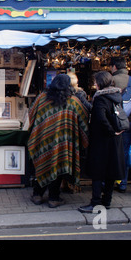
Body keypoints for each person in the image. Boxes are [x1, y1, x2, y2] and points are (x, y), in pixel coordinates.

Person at [27, 74, 89, 208]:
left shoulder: (42, 98)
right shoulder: (73, 101)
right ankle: (53, 198)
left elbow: (31, 113)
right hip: (63, 142)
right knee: (58, 166)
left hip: (43, 139)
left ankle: (37, 195)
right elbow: (84, 118)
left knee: (42, 164)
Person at [78, 71, 126, 213]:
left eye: (95, 82)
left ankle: (95, 203)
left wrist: (110, 131)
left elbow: (100, 119)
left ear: (100, 83)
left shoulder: (100, 98)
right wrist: (115, 132)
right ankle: (107, 201)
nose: (94, 84)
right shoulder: (117, 95)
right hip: (115, 140)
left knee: (98, 173)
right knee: (111, 171)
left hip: (102, 141)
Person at [110, 57, 131, 193]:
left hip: (113, 122)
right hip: (128, 121)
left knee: (111, 152)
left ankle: (109, 181)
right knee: (125, 152)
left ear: (114, 67)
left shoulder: (111, 80)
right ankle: (123, 183)